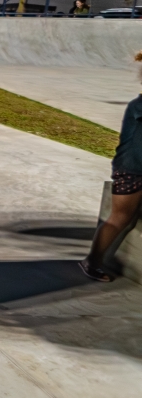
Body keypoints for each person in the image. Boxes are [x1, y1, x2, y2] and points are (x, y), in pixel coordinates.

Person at [80, 51, 142, 282]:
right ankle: (91, 262)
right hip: (131, 169)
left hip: (134, 166)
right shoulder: (138, 105)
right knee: (119, 218)